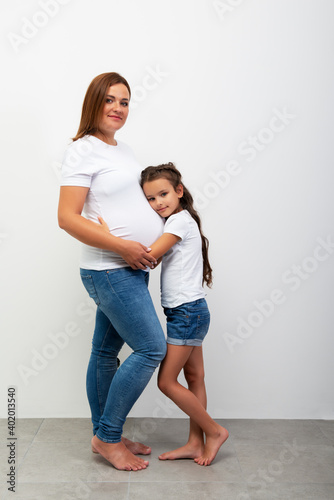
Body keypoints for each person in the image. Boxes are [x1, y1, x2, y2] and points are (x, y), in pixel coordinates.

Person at [57, 72, 167, 471]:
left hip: (130, 269)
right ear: (94, 104)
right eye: (110, 100)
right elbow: (67, 218)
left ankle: (106, 434)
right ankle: (107, 438)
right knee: (152, 347)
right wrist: (122, 245)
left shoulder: (124, 149)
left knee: (105, 352)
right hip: (108, 269)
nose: (118, 108)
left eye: (124, 101)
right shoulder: (82, 150)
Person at [140, 163, 229, 466]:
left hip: (187, 312)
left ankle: (213, 431)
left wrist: (113, 241)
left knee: (166, 381)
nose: (158, 203)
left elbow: (151, 255)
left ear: (179, 191)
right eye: (150, 199)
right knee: (194, 376)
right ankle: (195, 442)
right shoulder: (179, 221)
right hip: (191, 310)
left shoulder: (178, 221)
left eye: (163, 194)